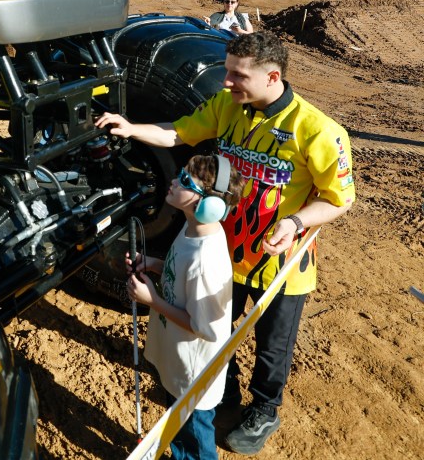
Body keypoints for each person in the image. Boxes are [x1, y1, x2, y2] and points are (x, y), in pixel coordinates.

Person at [96, 31, 356, 455]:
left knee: (272, 349)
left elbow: (339, 199)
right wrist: (131, 128)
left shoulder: (320, 131)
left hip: (280, 264)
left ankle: (265, 409)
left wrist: (295, 221)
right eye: (227, 71)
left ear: (272, 77)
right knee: (213, 335)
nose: (226, 82)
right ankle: (225, 391)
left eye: (237, 75)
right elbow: (178, 133)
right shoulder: (227, 107)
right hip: (224, 255)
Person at [126, 153, 242, 460]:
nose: (175, 180)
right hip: (178, 362)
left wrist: (152, 301)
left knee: (194, 445)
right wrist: (153, 264)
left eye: (185, 180)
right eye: (180, 174)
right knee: (177, 430)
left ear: (208, 204)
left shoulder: (206, 261)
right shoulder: (193, 227)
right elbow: (181, 273)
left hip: (194, 376)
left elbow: (202, 326)